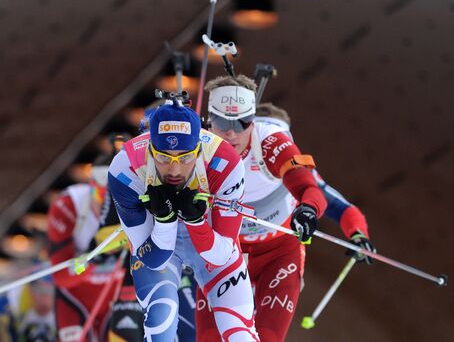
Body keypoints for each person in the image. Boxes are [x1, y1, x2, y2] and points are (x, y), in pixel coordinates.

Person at [108, 99, 259, 341]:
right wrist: (166, 220)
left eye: (186, 158)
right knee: (162, 320)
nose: (175, 170)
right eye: (164, 158)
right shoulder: (125, 169)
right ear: (150, 149)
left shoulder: (226, 163)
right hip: (158, 242)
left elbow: (220, 254)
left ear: (199, 150)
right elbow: (153, 259)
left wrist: (196, 221)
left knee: (240, 334)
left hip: (209, 240)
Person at [195, 75, 329, 342]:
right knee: (209, 338)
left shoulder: (270, 141)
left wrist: (308, 210)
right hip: (224, 252)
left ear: (253, 121)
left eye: (241, 123)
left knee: (268, 336)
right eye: (222, 123)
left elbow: (310, 189)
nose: (232, 133)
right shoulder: (196, 146)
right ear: (209, 120)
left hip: (278, 251)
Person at [254, 102, 376, 264]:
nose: (268, 148)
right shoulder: (227, 158)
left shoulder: (297, 171)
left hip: (275, 252)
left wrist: (358, 235)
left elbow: (342, 208)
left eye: (279, 137)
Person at [48, 163, 128, 342]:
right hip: (74, 299)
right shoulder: (69, 205)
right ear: (90, 187)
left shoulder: (133, 206)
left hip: (116, 298)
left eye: (113, 199)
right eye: (99, 195)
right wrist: (91, 263)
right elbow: (60, 276)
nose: (105, 206)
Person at [0, 274, 56, 342]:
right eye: (40, 291)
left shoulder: (64, 301)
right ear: (30, 290)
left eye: (51, 292)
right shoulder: (11, 302)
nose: (45, 300)